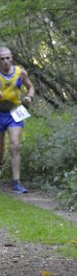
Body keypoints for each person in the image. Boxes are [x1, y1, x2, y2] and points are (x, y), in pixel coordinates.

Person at [0, 46, 35, 193]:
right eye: (2, 59)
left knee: (14, 144)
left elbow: (31, 87)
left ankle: (16, 182)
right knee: (1, 148)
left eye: (7, 58)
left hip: (15, 112)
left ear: (12, 58)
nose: (5, 61)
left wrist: (29, 97)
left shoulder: (20, 72)